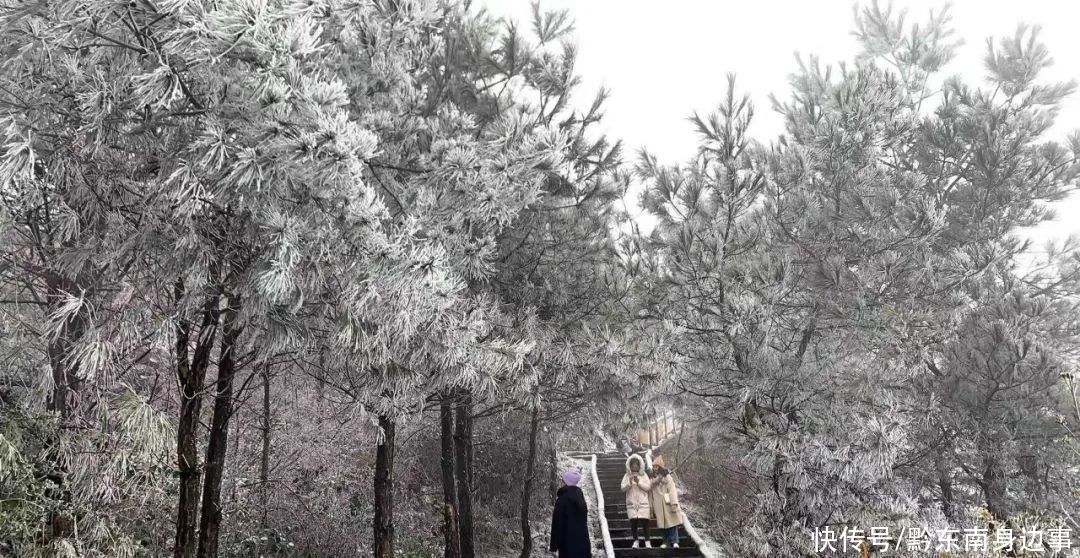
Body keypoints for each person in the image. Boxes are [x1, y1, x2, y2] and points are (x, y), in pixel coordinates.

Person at [550, 469, 591, 558]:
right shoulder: (580, 498)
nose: (561, 482)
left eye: (563, 480)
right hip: (583, 544)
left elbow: (557, 523)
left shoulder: (562, 500)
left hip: (567, 545)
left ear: (566, 482)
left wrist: (554, 545)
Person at [650, 455, 684, 548]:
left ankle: (675, 541)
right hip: (658, 504)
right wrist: (651, 507)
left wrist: (674, 503)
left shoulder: (667, 477)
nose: (655, 468)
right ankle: (665, 541)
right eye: (654, 466)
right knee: (662, 524)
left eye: (656, 466)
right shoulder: (652, 478)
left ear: (660, 467)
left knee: (672, 523)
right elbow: (650, 490)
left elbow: (672, 490)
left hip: (668, 503)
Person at [620, 453, 653, 548]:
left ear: (640, 465)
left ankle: (647, 541)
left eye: (636, 464)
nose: (634, 466)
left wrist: (639, 482)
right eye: (633, 464)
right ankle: (636, 541)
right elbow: (622, 488)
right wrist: (629, 483)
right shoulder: (626, 476)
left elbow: (648, 487)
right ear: (629, 466)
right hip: (631, 503)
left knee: (645, 523)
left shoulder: (644, 475)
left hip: (643, 503)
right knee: (633, 523)